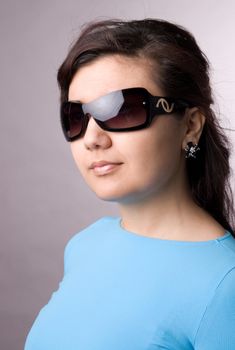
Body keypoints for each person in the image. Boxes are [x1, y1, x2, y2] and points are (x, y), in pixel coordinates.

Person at [25, 18, 235, 349]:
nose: (92, 139)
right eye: (76, 116)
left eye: (123, 109)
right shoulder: (86, 244)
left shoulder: (226, 285)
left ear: (191, 125)